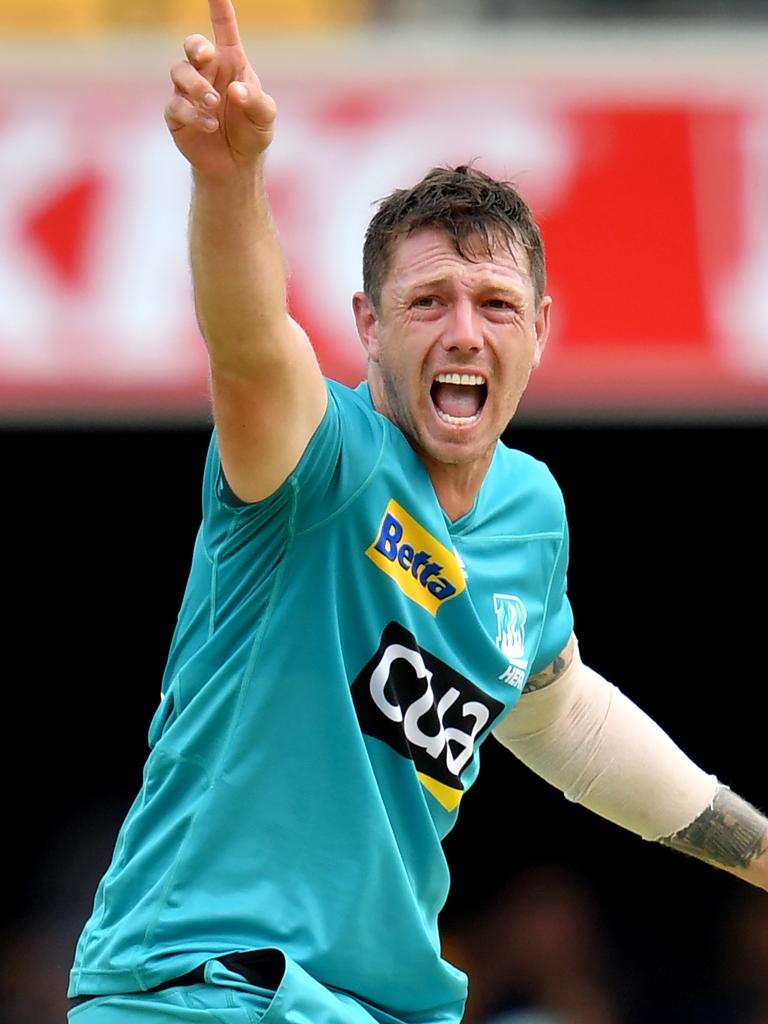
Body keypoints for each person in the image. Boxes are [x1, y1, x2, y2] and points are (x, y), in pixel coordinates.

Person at [68, 2, 768, 1021]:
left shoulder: (531, 511)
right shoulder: (320, 459)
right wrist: (230, 180)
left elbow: (562, 714)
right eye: (427, 300)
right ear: (367, 326)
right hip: (204, 987)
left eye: (492, 304)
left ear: (538, 330)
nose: (462, 331)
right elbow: (251, 341)